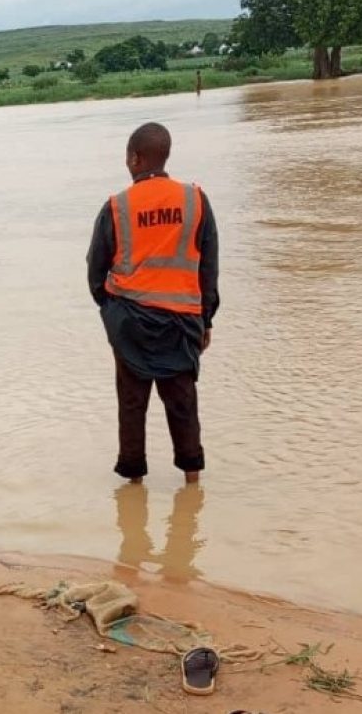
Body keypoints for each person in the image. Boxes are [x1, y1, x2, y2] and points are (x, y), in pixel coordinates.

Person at [87, 122, 220, 485]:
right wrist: (206, 320)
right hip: (182, 320)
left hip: (130, 321)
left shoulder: (117, 206)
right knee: (182, 401)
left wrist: (112, 314)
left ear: (135, 158)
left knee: (132, 404)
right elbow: (209, 266)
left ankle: (133, 482)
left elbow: (95, 270)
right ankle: (192, 480)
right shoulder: (195, 200)